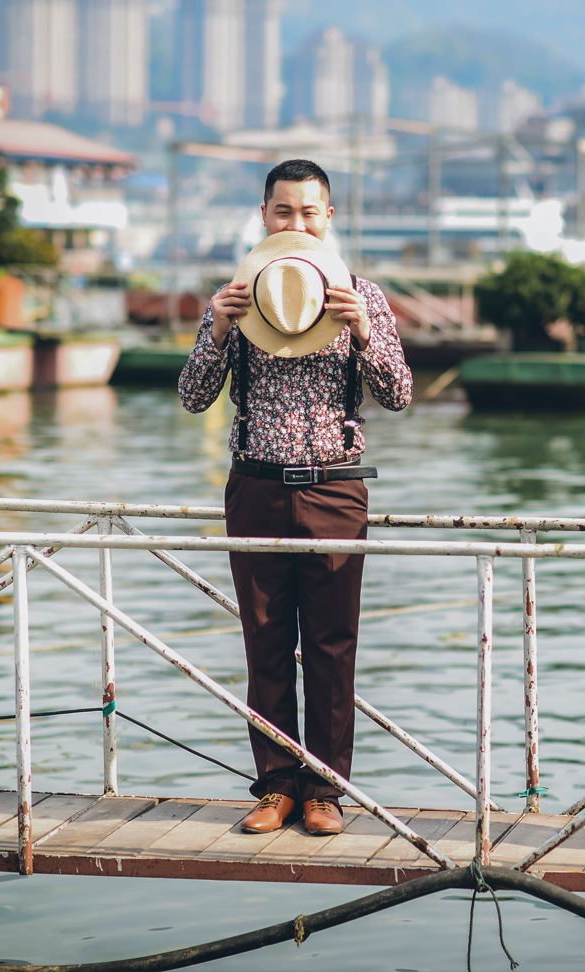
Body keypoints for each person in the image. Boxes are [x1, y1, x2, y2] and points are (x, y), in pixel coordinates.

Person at [178, 159, 412, 837]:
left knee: (334, 647)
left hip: (335, 487)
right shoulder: (236, 296)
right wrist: (217, 332)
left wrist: (363, 332)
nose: (297, 223)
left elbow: (398, 394)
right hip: (255, 484)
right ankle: (277, 786)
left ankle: (325, 791)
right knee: (265, 644)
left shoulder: (363, 295)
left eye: (310, 212)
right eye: (284, 211)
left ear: (329, 218)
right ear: (264, 216)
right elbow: (192, 398)